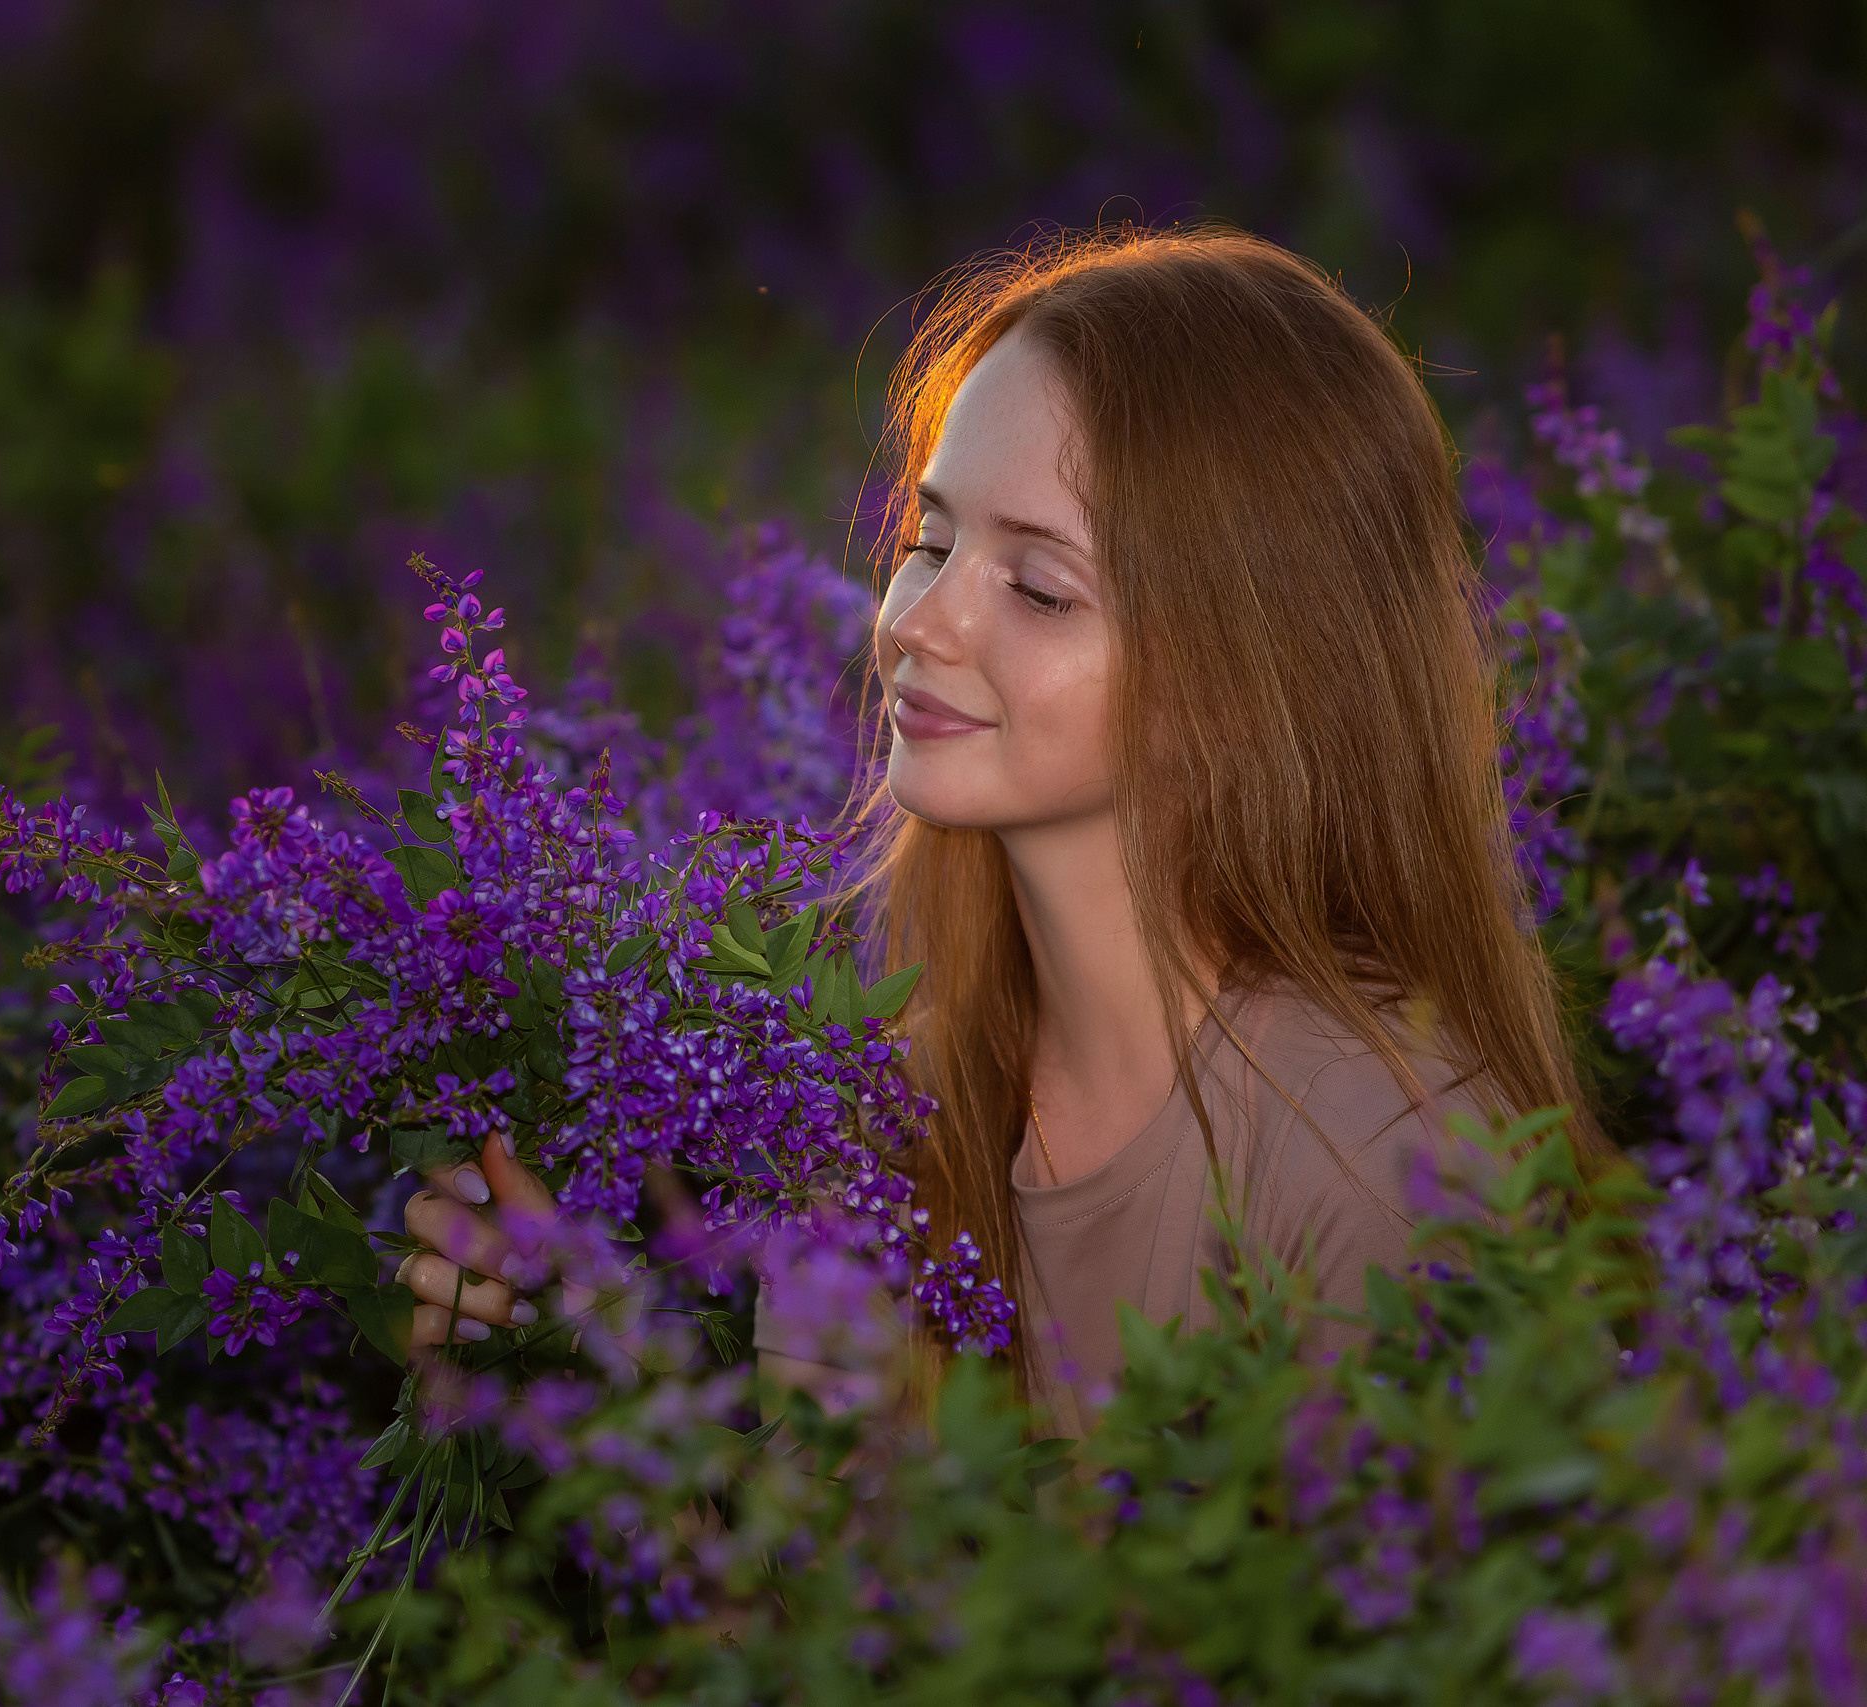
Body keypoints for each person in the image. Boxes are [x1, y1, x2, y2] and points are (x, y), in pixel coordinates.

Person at [389, 226, 1599, 1433]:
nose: (921, 621)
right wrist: (572, 1366)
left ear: (1246, 678)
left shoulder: (1382, 1162)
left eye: (1038, 587)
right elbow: (821, 1621)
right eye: (930, 541)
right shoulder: (888, 1116)